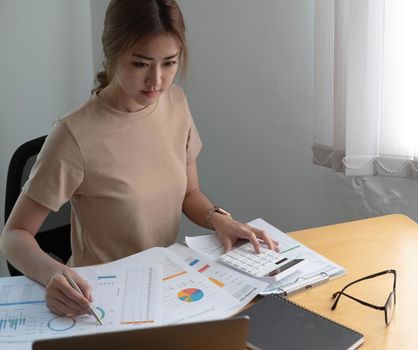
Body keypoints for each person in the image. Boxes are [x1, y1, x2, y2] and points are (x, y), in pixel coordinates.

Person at [0, 0, 277, 317]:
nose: (157, 81)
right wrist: (53, 273)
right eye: (141, 64)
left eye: (170, 63)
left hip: (165, 288)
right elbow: (14, 236)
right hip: (101, 302)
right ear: (113, 54)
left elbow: (189, 193)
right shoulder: (74, 136)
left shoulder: (174, 102)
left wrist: (220, 220)